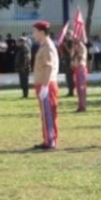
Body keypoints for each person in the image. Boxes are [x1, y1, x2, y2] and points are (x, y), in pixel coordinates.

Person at [32, 21, 59, 150]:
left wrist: (45, 86)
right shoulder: (43, 45)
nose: (33, 34)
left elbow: (49, 67)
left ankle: (50, 140)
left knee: (49, 114)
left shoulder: (47, 46)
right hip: (43, 83)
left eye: (35, 32)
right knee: (45, 113)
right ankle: (47, 139)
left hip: (46, 84)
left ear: (42, 32)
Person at [72, 35, 89, 112]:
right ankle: (80, 105)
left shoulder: (81, 47)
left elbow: (80, 58)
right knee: (78, 88)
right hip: (77, 68)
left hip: (81, 68)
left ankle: (83, 106)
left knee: (82, 88)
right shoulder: (76, 47)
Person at [59, 31, 75, 97]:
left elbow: (71, 52)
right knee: (67, 76)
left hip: (69, 60)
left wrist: (65, 46)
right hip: (66, 59)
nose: (67, 36)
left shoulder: (71, 42)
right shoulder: (66, 41)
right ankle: (69, 90)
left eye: (69, 35)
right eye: (67, 35)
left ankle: (71, 91)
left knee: (70, 76)